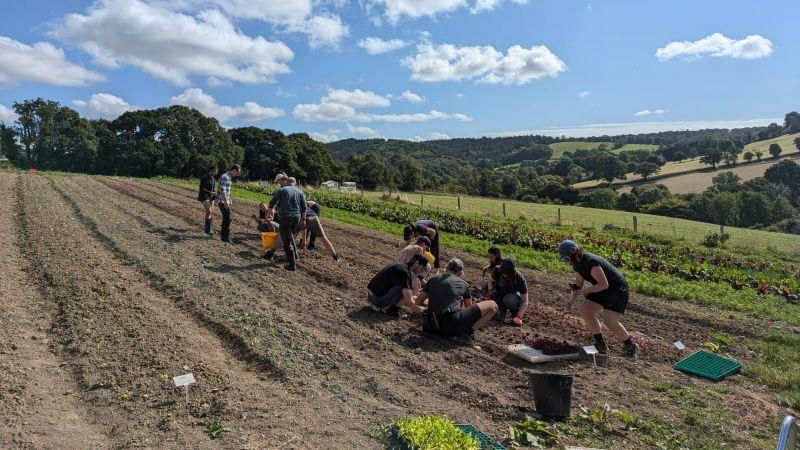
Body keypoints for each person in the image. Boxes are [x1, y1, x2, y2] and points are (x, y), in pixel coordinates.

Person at [558, 240, 638, 358]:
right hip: (601, 287)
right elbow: (578, 283)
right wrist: (571, 300)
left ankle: (630, 344)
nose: (566, 262)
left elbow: (604, 284)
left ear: (572, 255)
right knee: (586, 311)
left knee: (609, 321)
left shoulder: (591, 262)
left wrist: (584, 291)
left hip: (616, 289)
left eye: (566, 259)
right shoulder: (577, 264)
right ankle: (600, 344)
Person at [416, 258, 497, 339]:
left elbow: (418, 302)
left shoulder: (433, 279)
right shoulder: (463, 284)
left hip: (429, 327)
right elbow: (468, 308)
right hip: (450, 329)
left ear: (446, 268)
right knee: (493, 305)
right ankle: (468, 333)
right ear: (461, 273)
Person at [267, 173, 307, 271]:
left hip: (285, 217)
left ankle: (291, 264)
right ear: (295, 183)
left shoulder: (282, 190)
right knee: (289, 236)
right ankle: (295, 256)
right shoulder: (300, 192)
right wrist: (303, 219)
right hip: (296, 218)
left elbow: (272, 202)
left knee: (287, 241)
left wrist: (269, 213)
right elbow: (304, 207)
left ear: (287, 182)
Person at [488, 258, 529, 326]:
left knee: (509, 299)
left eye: (507, 273)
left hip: (513, 297)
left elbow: (525, 301)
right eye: (503, 272)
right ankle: (501, 310)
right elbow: (490, 279)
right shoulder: (497, 270)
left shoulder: (519, 277)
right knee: (497, 319)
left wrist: (519, 316)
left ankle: (515, 312)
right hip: (499, 296)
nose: (505, 275)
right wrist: (490, 290)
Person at [216, 164, 240, 244]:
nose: (237, 174)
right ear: (234, 170)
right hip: (223, 201)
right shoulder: (225, 177)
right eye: (237, 172)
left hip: (225, 201)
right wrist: (226, 202)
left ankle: (224, 236)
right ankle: (225, 237)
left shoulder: (229, 177)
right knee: (228, 218)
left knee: (227, 218)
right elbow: (223, 191)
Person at [197, 166, 217, 235]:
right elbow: (202, 189)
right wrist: (211, 193)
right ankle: (208, 230)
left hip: (211, 197)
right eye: (215, 171)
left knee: (210, 213)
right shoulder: (204, 178)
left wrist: (214, 196)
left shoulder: (213, 179)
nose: (216, 173)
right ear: (211, 171)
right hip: (204, 196)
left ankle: (208, 229)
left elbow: (213, 189)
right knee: (209, 210)